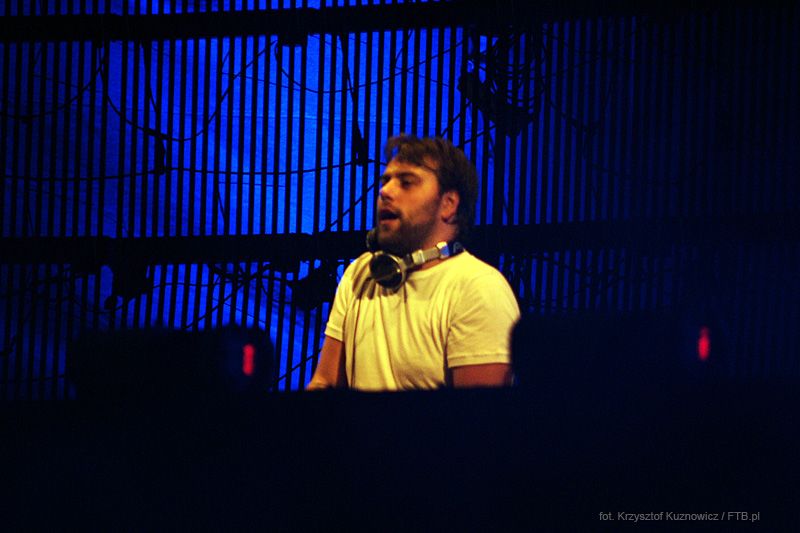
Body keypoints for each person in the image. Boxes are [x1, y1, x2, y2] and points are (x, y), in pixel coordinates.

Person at [307, 135, 520, 391]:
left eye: (406, 183)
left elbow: (477, 414)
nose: (385, 192)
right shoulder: (360, 273)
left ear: (448, 204)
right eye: (385, 181)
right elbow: (324, 382)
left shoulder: (478, 290)